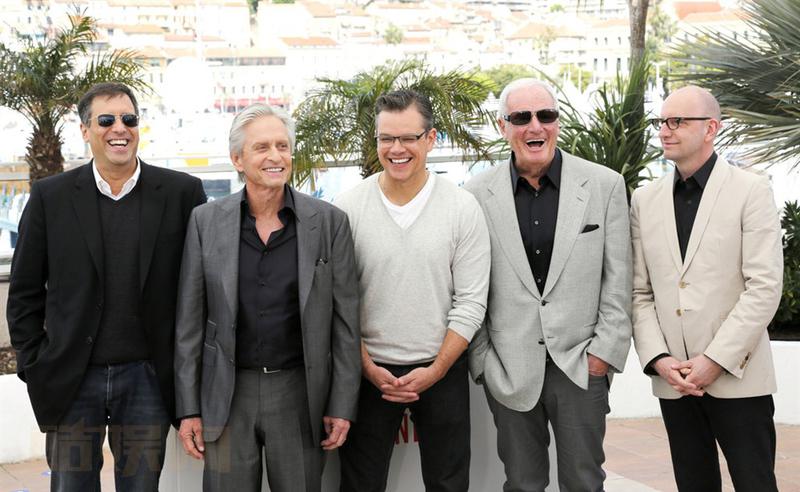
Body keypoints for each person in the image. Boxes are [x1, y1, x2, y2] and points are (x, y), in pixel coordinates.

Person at [7, 82, 207, 491]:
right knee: (72, 485)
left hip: (147, 379)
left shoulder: (181, 193)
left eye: (129, 119)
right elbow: (24, 291)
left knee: (141, 486)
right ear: (85, 130)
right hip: (72, 379)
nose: (120, 128)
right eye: (106, 120)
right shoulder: (50, 197)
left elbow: (203, 285)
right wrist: (34, 363)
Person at [173, 103, 361, 492]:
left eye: (282, 146)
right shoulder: (205, 222)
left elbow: (345, 325)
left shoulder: (329, 222)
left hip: (299, 396)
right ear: (237, 160)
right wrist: (188, 408)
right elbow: (190, 324)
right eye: (261, 147)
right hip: (226, 396)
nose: (275, 156)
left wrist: (342, 405)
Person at [465, 78, 632, 491]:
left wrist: (603, 356)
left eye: (546, 115)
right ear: (503, 126)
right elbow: (469, 285)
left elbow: (619, 280)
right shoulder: (474, 195)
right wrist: (483, 361)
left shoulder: (605, 185)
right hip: (508, 369)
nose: (535, 126)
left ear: (558, 122)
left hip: (581, 367)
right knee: (522, 483)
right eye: (521, 117)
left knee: (584, 482)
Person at [335, 89, 490, 492]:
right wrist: (367, 366)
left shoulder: (462, 207)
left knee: (448, 483)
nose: (396, 149)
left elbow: (471, 301)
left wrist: (436, 370)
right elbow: (338, 301)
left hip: (442, 370)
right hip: (368, 374)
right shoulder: (347, 208)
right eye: (387, 138)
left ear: (431, 138)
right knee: (360, 484)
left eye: (408, 138)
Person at [631, 85, 783, 492]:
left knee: (755, 484)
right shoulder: (644, 200)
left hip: (738, 376)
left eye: (677, 121)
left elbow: (765, 287)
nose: (665, 130)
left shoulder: (751, 190)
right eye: (661, 121)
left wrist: (715, 359)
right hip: (675, 380)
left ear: (711, 128)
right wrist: (659, 359)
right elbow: (640, 293)